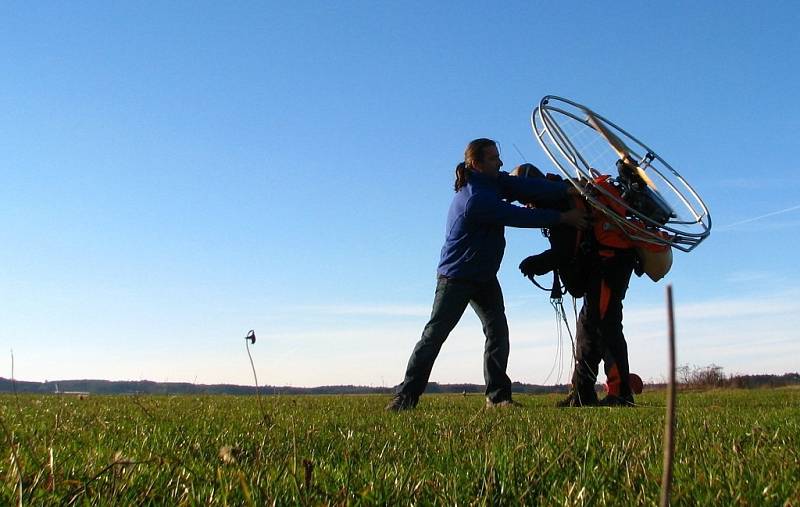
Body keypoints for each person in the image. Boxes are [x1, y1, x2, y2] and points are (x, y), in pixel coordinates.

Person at [385, 139, 589, 411]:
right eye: (493, 159)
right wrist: (563, 218)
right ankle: (405, 397)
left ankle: (497, 398)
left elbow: (525, 186)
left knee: (497, 332)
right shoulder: (475, 199)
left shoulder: (493, 183)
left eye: (498, 157)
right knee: (435, 335)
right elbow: (517, 216)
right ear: (477, 164)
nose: (500, 163)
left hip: (484, 277)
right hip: (456, 277)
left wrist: (566, 187)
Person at [514, 163, 639, 407]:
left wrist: (536, 263)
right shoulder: (562, 194)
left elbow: (566, 249)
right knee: (587, 331)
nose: (524, 203)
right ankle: (583, 393)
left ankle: (621, 394)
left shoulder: (560, 200)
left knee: (605, 328)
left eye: (523, 196)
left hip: (607, 266)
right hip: (603, 266)